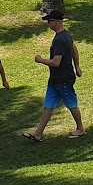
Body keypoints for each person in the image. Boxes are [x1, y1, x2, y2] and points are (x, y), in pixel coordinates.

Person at [23, 10, 83, 141]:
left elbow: (56, 62)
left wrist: (41, 60)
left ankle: (80, 129)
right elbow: (75, 51)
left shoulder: (60, 40)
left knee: (71, 104)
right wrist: (77, 66)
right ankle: (38, 133)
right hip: (55, 80)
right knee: (48, 105)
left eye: (49, 21)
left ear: (55, 22)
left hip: (63, 79)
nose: (48, 24)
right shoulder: (66, 35)